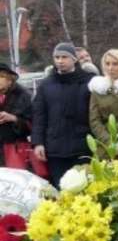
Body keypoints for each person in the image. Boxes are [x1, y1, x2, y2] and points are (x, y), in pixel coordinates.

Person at [32, 43, 96, 185]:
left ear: (74, 59)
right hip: (55, 148)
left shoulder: (89, 81)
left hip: (83, 147)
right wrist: (38, 143)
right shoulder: (46, 84)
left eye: (64, 57)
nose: (60, 61)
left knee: (86, 190)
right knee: (60, 189)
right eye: (57, 57)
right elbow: (39, 116)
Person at [0, 63, 33, 167]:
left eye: (1, 77)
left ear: (10, 80)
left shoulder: (23, 95)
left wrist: (13, 118)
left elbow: (33, 125)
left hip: (16, 149)